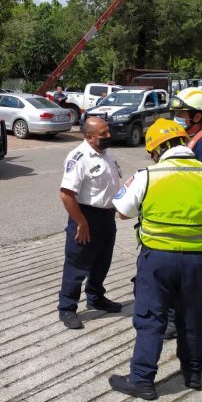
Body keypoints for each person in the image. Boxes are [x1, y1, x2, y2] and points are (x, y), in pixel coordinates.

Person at [109, 118, 202, 400]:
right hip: (197, 261)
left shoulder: (147, 175)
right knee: (192, 317)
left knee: (151, 318)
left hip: (157, 260)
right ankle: (193, 373)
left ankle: (142, 380)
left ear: (157, 150)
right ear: (183, 142)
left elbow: (122, 211)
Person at [165, 86, 202, 339]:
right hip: (181, 217)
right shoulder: (190, 138)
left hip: (194, 222)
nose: (177, 117)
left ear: (197, 116)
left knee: (189, 278)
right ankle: (177, 317)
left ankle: (181, 321)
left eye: (181, 113)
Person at [58, 116, 123, 330]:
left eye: (108, 131)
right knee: (77, 264)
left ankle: (95, 297)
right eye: (104, 134)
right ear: (89, 137)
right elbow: (66, 194)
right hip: (85, 217)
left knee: (102, 261)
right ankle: (67, 307)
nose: (109, 136)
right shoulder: (79, 157)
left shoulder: (107, 155)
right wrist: (81, 223)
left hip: (106, 217)